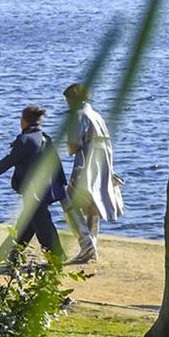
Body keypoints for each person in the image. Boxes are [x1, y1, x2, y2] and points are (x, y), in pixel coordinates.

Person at [0, 105, 66, 260]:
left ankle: (57, 257)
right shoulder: (45, 138)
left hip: (33, 190)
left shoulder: (24, 139)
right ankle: (12, 254)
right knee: (27, 223)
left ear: (23, 121)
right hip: (46, 188)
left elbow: (11, 159)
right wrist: (61, 186)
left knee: (43, 225)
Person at [61, 82, 123, 263]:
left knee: (69, 201)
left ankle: (86, 242)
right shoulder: (97, 115)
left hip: (85, 165)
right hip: (103, 165)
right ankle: (91, 245)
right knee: (93, 206)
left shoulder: (79, 115)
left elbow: (73, 145)